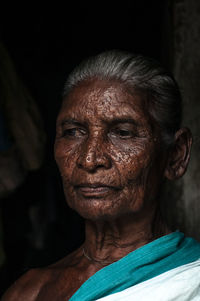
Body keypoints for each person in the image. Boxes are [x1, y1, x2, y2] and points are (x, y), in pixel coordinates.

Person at [2, 50, 200, 301]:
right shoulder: (29, 293)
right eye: (73, 132)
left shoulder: (192, 280)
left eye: (123, 133)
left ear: (176, 155)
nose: (89, 159)